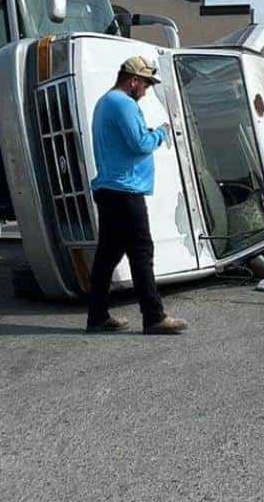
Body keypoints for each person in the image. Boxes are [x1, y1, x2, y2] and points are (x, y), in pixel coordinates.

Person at [85, 55, 188, 336]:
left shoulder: (105, 102)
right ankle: (154, 317)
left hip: (110, 188)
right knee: (142, 253)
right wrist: (161, 133)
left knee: (108, 256)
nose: (146, 90)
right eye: (146, 84)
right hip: (125, 191)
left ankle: (97, 316)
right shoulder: (123, 103)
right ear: (134, 81)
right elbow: (139, 143)